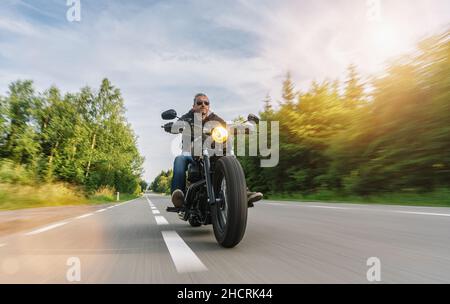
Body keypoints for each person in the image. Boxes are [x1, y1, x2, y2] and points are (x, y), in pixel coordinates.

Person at [170, 93, 263, 208]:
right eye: (199, 103)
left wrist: (243, 128)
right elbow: (177, 125)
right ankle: (178, 195)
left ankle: (243, 192)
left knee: (229, 157)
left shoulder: (214, 118)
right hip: (190, 151)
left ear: (209, 106)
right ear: (193, 106)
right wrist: (174, 126)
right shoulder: (188, 117)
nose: (203, 105)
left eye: (206, 103)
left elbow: (225, 126)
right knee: (179, 159)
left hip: (210, 151)